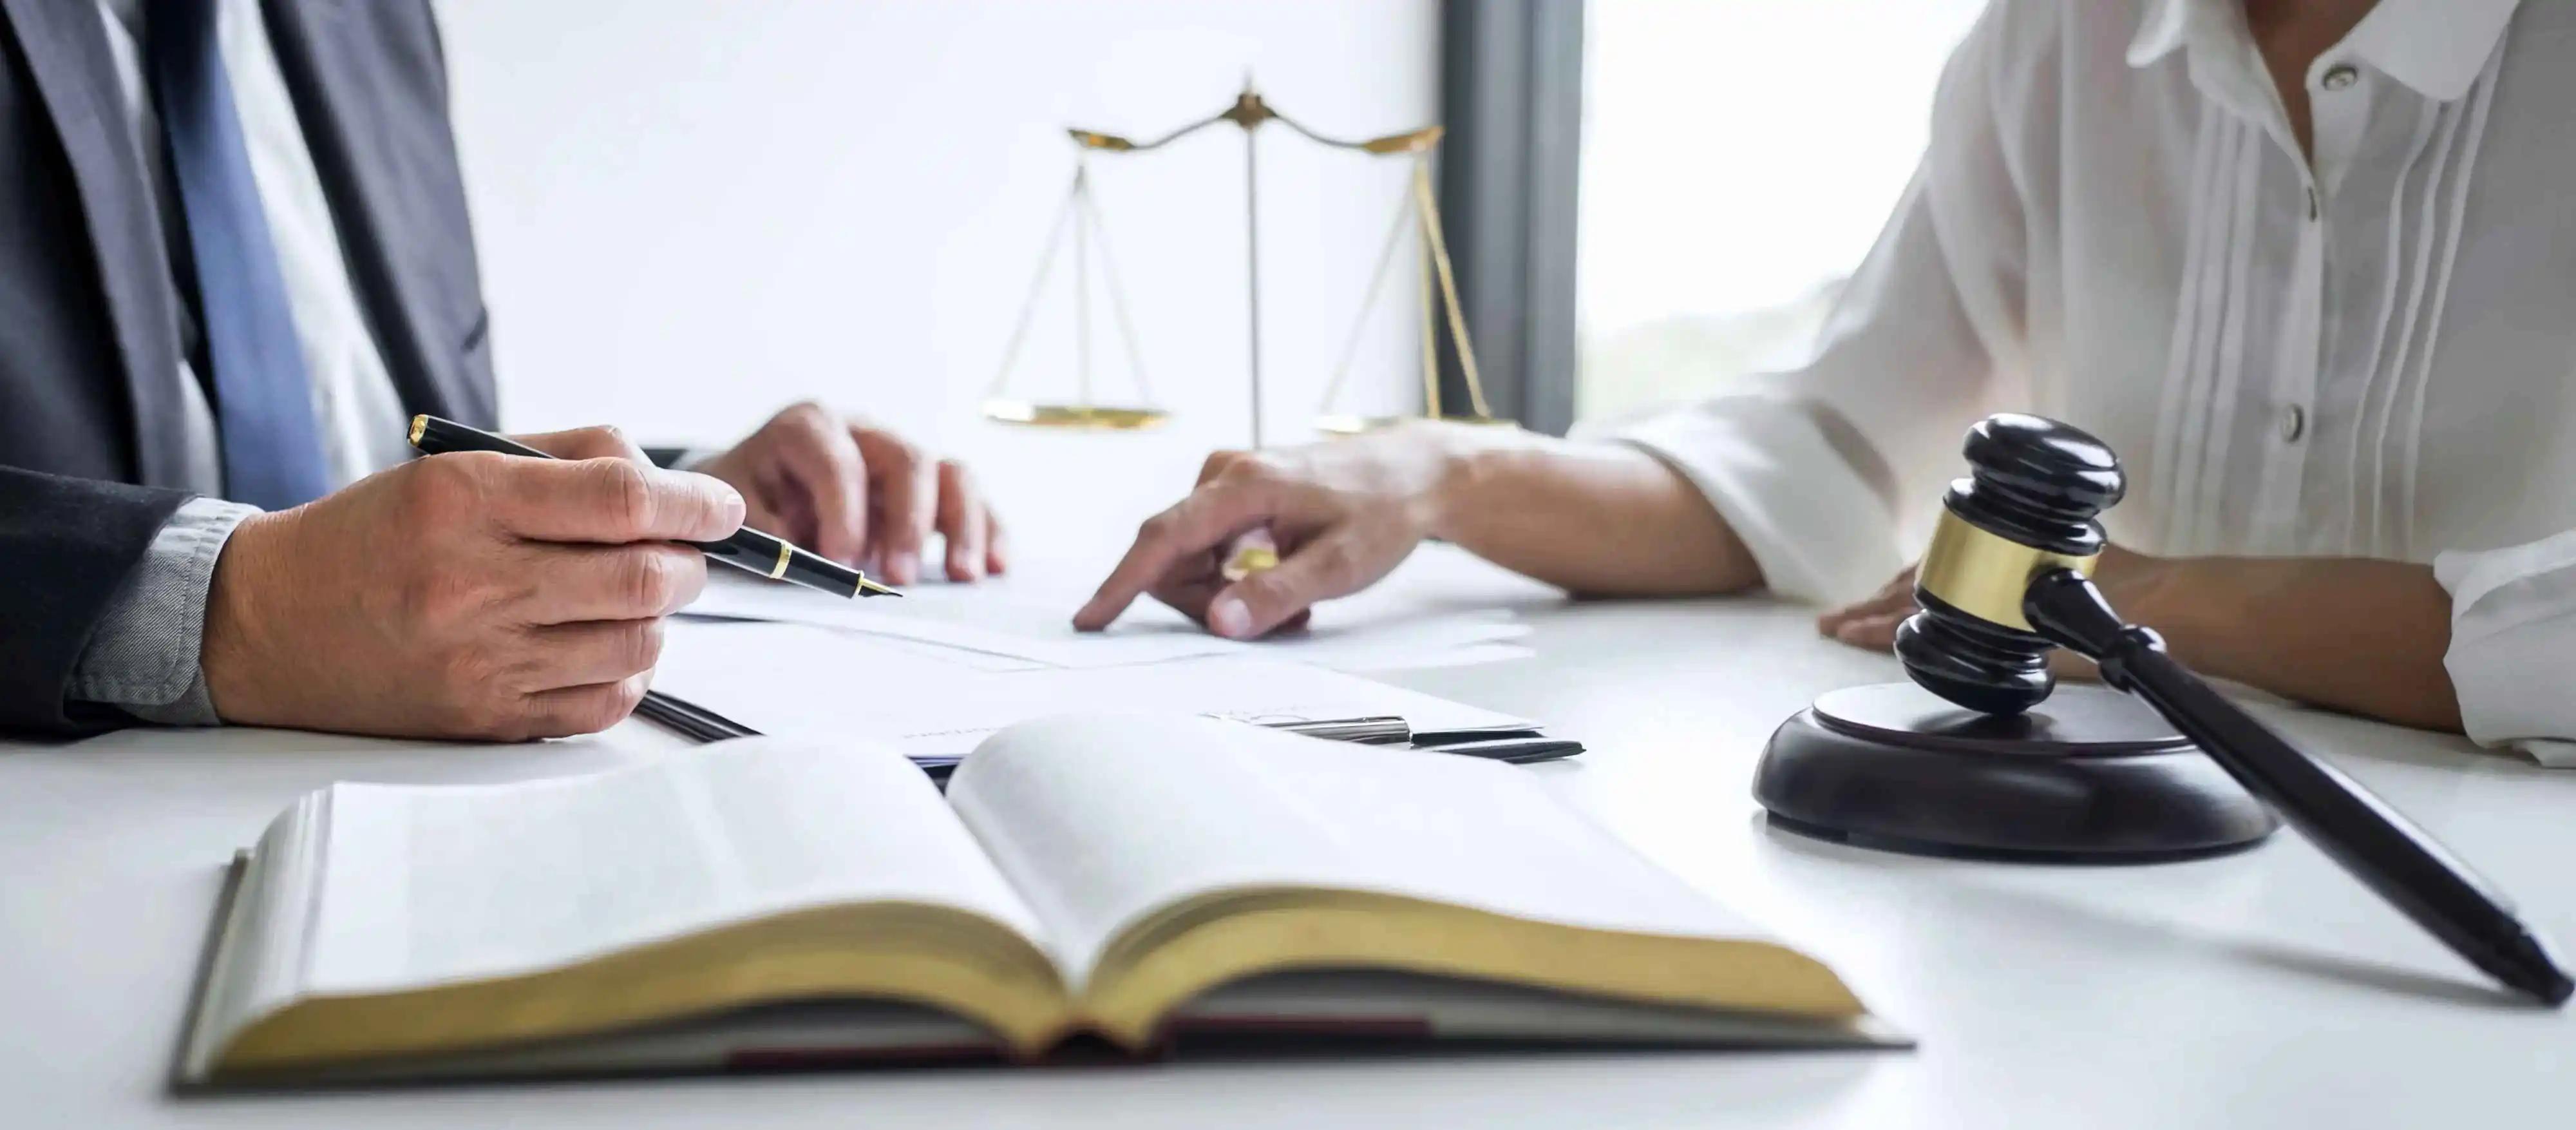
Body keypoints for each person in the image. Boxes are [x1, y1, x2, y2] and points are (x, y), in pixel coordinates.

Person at [1077, 0, 2576, 757]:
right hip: (2115, 894)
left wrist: (2137, 604)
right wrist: (1438, 474)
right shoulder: (2062, 37)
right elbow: (1832, 440)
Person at [0, 0, 999, 740]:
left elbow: (395, 469)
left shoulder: (369, 21)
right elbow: (305, 563)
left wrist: (680, 499)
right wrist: (241, 614)